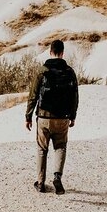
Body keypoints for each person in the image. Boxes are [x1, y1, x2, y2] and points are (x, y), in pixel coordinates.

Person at [25, 39, 79, 195]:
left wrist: (28, 116)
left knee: (42, 149)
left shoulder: (42, 71)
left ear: (50, 52)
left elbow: (33, 96)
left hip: (43, 117)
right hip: (63, 118)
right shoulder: (70, 72)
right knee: (60, 146)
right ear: (62, 53)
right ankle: (57, 176)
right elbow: (74, 96)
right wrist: (73, 116)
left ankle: (40, 183)